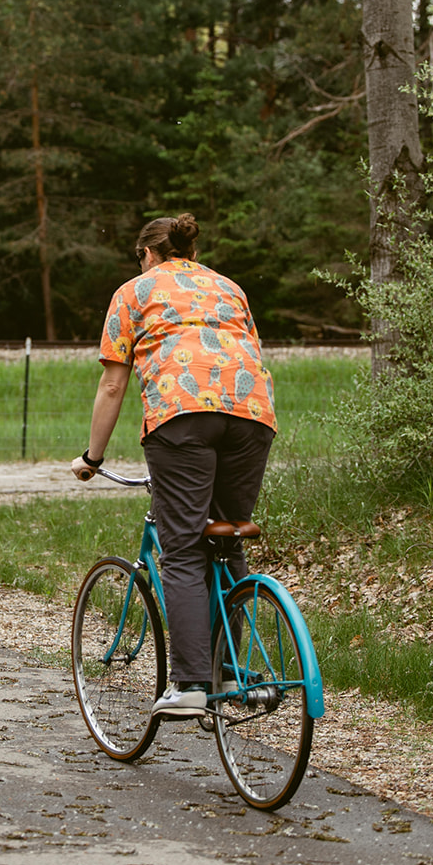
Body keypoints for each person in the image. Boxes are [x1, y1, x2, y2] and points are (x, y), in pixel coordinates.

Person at [71, 213, 277, 717]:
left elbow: (114, 384)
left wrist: (92, 458)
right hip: (252, 414)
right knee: (224, 539)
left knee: (182, 548)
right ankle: (227, 673)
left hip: (181, 415)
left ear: (147, 254)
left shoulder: (134, 292)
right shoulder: (229, 287)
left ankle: (189, 685)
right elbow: (247, 353)